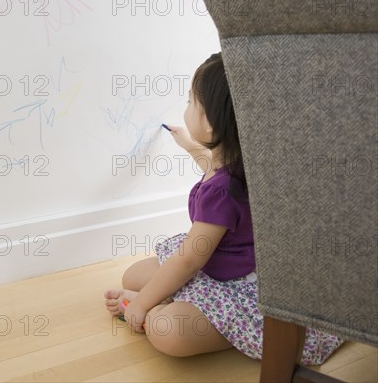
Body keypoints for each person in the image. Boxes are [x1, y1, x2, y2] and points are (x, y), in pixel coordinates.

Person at [104, 53, 344, 364]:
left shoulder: (223, 189)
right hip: (217, 266)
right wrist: (190, 145)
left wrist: (141, 306)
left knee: (166, 329)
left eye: (191, 101)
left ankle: (227, 328)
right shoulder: (238, 162)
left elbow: (189, 259)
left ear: (212, 121)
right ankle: (164, 302)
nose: (186, 106)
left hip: (238, 288)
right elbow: (212, 169)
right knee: (133, 275)